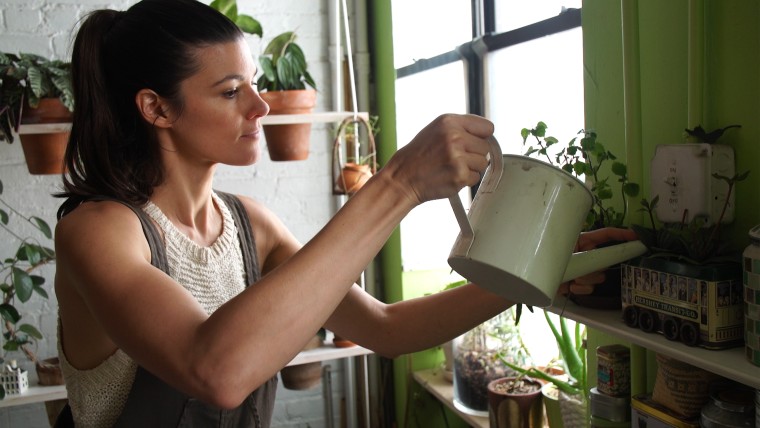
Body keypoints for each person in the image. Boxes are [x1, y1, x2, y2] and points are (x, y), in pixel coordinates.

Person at [53, 0, 637, 426]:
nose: (260, 105)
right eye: (231, 92)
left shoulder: (251, 227)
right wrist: (400, 182)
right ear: (156, 108)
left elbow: (386, 329)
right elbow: (215, 373)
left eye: (254, 85)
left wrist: (541, 268)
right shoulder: (99, 231)